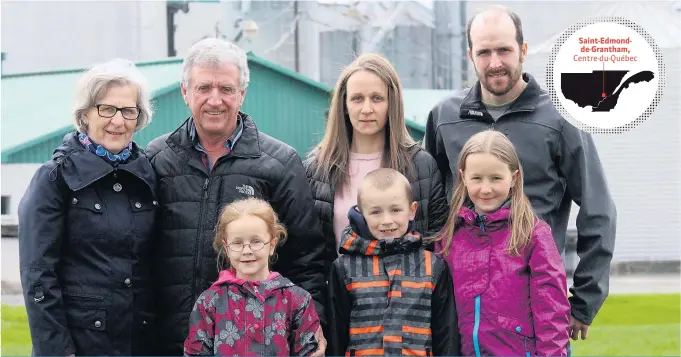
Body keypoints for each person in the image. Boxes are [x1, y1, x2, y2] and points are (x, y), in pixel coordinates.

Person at [424, 4, 617, 342]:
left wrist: (585, 300)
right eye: (484, 52)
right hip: (461, 310)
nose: (495, 62)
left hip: (533, 308)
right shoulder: (444, 117)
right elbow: (430, 205)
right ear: (470, 55)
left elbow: (598, 212)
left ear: (523, 50)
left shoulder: (561, 119)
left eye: (504, 50)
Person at [145, 38, 328, 356]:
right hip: (168, 342)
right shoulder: (156, 159)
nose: (215, 100)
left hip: (254, 346)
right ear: (185, 92)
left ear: (242, 94)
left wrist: (312, 330)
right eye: (204, 88)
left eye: (226, 89)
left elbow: (307, 258)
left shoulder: (280, 163)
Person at [18, 58, 158, 356]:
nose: (117, 121)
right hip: (82, 346)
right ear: (85, 114)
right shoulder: (54, 178)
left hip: (141, 342)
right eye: (106, 109)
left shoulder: (149, 174)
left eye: (128, 111)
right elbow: (38, 275)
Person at [431, 129, 571, 356]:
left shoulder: (533, 235)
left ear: (514, 178)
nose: (486, 189)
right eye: (477, 178)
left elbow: (552, 311)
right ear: (463, 177)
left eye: (496, 178)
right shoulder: (449, 237)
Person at [305, 53, 448, 269]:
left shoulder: (421, 167)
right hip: (340, 298)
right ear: (344, 105)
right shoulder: (317, 169)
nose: (366, 109)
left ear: (392, 104)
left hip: (409, 298)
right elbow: (308, 253)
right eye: (357, 98)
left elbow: (438, 247)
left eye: (377, 98)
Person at [326, 168, 461, 357]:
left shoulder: (434, 266)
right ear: (361, 213)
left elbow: (446, 335)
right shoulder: (343, 268)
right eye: (375, 212)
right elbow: (335, 335)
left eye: (396, 210)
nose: (387, 220)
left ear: (412, 210)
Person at [184, 198, 321, 356]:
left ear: (272, 244)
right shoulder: (209, 302)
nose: (247, 250)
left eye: (256, 241)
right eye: (237, 243)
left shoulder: (296, 300)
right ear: (226, 248)